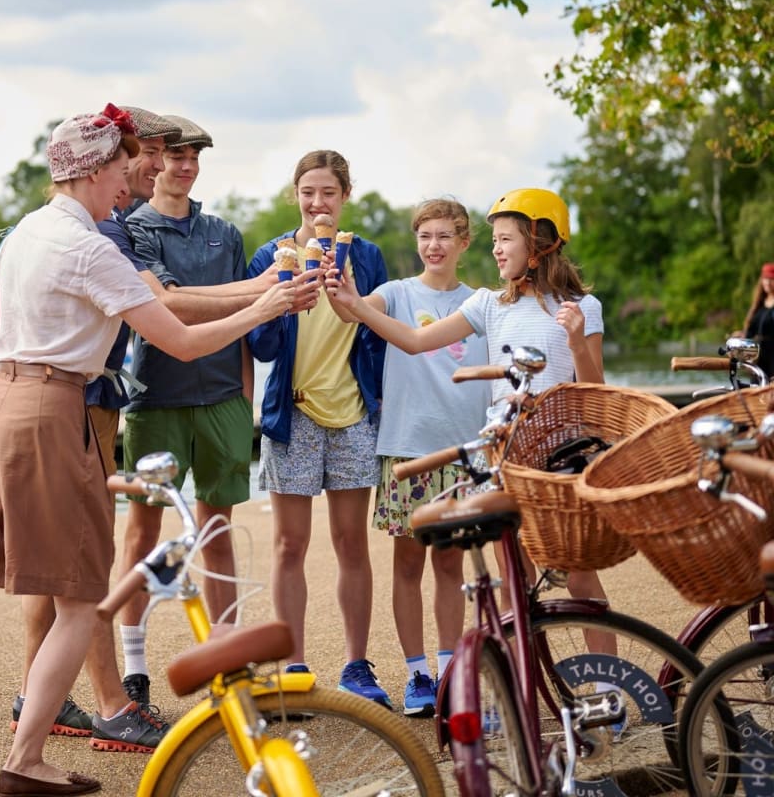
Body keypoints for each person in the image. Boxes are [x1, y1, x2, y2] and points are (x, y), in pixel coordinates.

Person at [0, 107, 294, 797]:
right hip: (52, 408)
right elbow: (179, 340)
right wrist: (269, 306)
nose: (132, 185)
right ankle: (25, 759)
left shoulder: (25, 233)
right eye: (125, 172)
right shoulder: (94, 249)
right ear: (96, 171)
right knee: (79, 599)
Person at [0, 106, 295, 739]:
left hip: (64, 401)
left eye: (172, 154)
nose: (153, 167)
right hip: (72, 403)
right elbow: (172, 320)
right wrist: (268, 295)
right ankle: (114, 703)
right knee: (83, 564)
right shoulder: (106, 233)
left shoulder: (47, 228)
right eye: (144, 155)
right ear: (111, 162)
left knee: (49, 564)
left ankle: (38, 694)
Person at [326, 187, 613, 635]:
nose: (496, 250)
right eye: (495, 240)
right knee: (510, 574)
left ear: (538, 243)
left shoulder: (583, 308)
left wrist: (577, 341)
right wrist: (359, 307)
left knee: (577, 570)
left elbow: (595, 392)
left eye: (506, 240)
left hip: (561, 456)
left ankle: (607, 690)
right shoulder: (488, 304)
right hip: (502, 455)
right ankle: (522, 685)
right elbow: (418, 341)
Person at [116, 117, 319, 711]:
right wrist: (264, 288)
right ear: (157, 163)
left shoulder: (222, 232)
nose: (183, 166)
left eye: (193, 157)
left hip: (225, 400)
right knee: (143, 534)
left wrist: (245, 398)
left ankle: (227, 660)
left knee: (219, 531)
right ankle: (134, 668)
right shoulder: (134, 228)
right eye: (173, 156)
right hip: (157, 398)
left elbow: (241, 325)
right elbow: (171, 304)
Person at [246, 150, 392, 708]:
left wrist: (347, 297)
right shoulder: (272, 254)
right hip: (294, 415)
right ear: (296, 196)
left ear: (344, 196)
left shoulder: (367, 255)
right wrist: (284, 295)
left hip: (353, 413)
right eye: (308, 192)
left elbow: (380, 336)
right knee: (289, 544)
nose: (317, 203)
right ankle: (294, 668)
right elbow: (259, 346)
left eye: (327, 193)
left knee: (352, 543)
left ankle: (357, 666)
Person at [366, 199, 490, 716]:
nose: (433, 245)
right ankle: (417, 674)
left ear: (464, 243)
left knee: (450, 564)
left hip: (463, 449)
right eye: (425, 235)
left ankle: (448, 673)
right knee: (408, 561)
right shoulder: (395, 294)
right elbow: (345, 310)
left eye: (444, 236)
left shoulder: (482, 302)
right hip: (407, 446)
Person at [741, 263, 774, 379]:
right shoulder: (758, 304)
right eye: (765, 279)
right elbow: (751, 331)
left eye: (771, 279)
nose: (767, 283)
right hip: (757, 358)